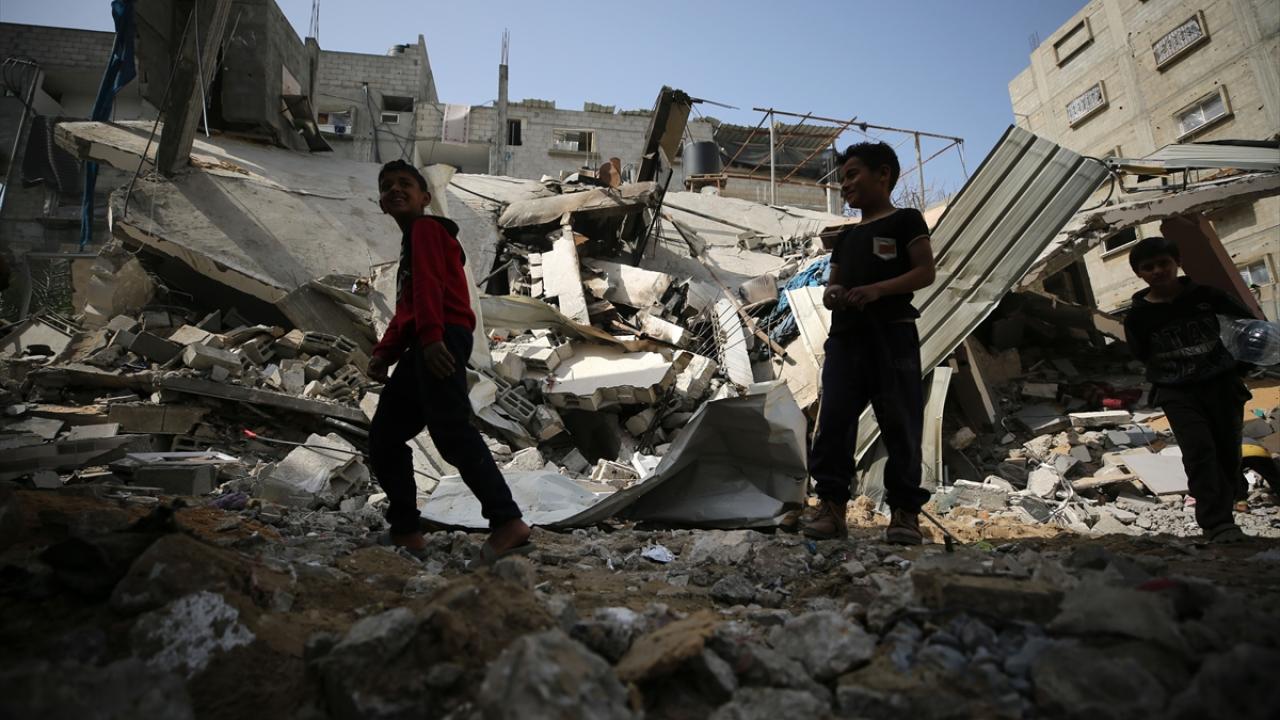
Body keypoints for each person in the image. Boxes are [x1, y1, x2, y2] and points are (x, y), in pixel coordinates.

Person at [366, 160, 531, 561]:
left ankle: (508, 522)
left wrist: (430, 338)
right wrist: (385, 353)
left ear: (425, 197)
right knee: (386, 435)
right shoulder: (415, 242)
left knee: (451, 432)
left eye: (405, 184)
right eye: (387, 186)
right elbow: (408, 307)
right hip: (429, 338)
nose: (395, 190)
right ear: (382, 203)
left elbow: (429, 289)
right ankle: (405, 530)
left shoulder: (425, 230)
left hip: (439, 337)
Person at [803, 142, 937, 545]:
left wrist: (878, 290)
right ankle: (831, 508)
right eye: (842, 178)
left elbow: (925, 271)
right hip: (846, 339)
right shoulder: (846, 237)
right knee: (834, 422)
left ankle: (904, 515)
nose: (845, 184)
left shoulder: (906, 220)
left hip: (892, 334)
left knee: (901, 423)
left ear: (883, 175)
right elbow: (833, 286)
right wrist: (833, 295)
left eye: (852, 175)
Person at [1123, 235, 1256, 543]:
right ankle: (1217, 523)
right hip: (1177, 391)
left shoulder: (1209, 297)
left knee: (1226, 451)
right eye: (1148, 267)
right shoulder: (1138, 316)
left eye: (1163, 263)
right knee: (1199, 451)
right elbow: (1141, 353)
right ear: (1139, 274)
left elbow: (1248, 328)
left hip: (1221, 385)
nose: (1158, 271)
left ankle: (1230, 501)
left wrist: (1240, 368)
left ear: (1177, 263)